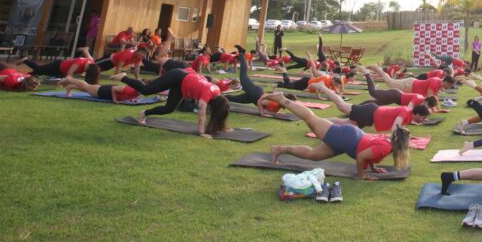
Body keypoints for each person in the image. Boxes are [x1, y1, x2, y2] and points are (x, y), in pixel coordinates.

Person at [264, 92, 410, 179]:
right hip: (347, 138)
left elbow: (370, 152)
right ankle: (282, 99)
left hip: (350, 140)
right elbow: (361, 157)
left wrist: (372, 168)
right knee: (311, 119)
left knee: (313, 155)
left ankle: (279, 149)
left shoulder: (387, 141)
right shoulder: (386, 147)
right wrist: (361, 176)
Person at [122, 68, 230, 138]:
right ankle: (124, 77)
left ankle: (144, 113)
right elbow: (201, 114)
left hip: (181, 86)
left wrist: (222, 127)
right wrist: (202, 133)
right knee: (146, 90)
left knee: (169, 109)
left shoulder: (217, 93)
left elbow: (221, 110)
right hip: (177, 76)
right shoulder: (207, 94)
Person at [308, 84, 431, 130]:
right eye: (423, 117)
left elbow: (402, 126)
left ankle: (316, 121)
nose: (423, 120)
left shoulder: (410, 116)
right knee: (341, 105)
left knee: (346, 123)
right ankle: (322, 87)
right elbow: (396, 127)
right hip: (370, 112)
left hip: (371, 118)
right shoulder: (406, 111)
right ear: (418, 114)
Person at [60, 74, 144, 103]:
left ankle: (70, 87)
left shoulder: (137, 93)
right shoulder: (129, 89)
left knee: (86, 89)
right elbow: (114, 88)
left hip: (105, 93)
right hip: (102, 91)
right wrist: (115, 100)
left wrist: (133, 99)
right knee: (86, 86)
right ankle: (69, 79)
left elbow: (132, 95)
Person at [22, 47, 94, 78]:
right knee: (39, 69)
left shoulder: (91, 61)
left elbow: (86, 51)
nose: (85, 72)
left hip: (60, 72)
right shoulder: (79, 62)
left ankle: (25, 76)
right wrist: (70, 83)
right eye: (86, 71)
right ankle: (25, 60)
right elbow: (70, 73)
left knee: (40, 73)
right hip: (57, 66)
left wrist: (83, 49)